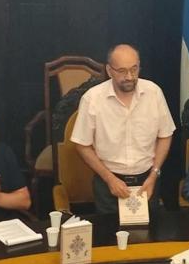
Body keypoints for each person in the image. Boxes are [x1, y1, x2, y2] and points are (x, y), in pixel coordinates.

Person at [71, 44, 176, 214]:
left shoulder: (153, 93)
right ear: (109, 70)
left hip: (147, 181)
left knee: (150, 230)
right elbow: (82, 145)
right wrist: (109, 179)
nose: (129, 77)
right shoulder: (92, 99)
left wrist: (154, 174)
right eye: (122, 71)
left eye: (134, 69)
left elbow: (165, 135)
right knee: (109, 230)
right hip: (109, 183)